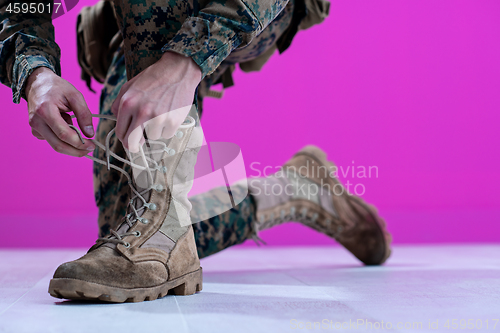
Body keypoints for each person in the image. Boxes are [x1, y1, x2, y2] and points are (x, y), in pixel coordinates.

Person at [0, 0, 391, 303]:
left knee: (155, 237)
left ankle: (163, 227)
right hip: (137, 21)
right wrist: (35, 72)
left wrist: (185, 62)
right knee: (127, 230)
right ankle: (291, 191)